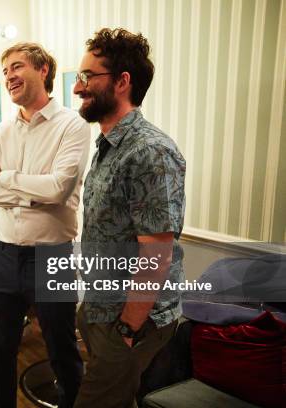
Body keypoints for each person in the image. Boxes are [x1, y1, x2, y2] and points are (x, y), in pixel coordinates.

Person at [72, 28, 186, 408]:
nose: (77, 88)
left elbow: (157, 253)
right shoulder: (107, 146)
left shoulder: (150, 151)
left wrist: (127, 329)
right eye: (79, 76)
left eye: (88, 77)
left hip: (131, 318)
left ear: (122, 82)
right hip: (103, 307)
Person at [0, 42, 91, 408]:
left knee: (62, 348)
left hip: (51, 256)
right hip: (4, 253)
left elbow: (58, 189)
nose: (8, 75)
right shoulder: (0, 132)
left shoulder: (72, 125)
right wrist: (26, 192)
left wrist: (6, 179)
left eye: (17, 66)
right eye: (5, 70)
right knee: (2, 350)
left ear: (43, 71)